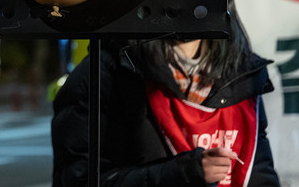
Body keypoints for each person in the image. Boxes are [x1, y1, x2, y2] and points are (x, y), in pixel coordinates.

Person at [51, 15, 280, 186]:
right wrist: (184, 172)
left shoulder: (243, 72)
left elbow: (259, 174)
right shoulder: (107, 72)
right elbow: (80, 179)